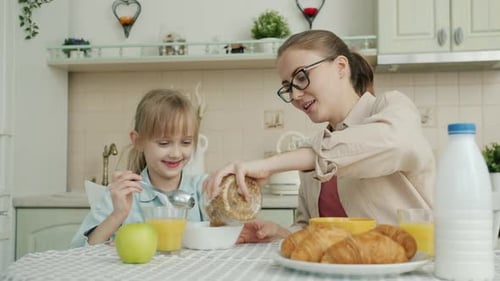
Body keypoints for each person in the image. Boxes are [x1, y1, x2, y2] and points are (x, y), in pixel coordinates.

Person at [204, 30, 435, 243]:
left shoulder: (391, 107)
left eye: (302, 77)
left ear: (341, 67)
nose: (295, 94)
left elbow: (395, 143)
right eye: (288, 86)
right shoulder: (312, 149)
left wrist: (269, 166)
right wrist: (279, 232)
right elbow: (312, 231)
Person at [71, 89, 207, 247]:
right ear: (138, 141)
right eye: (164, 143)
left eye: (186, 142)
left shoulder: (201, 189)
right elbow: (77, 251)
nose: (176, 153)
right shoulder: (124, 195)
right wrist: (118, 215)